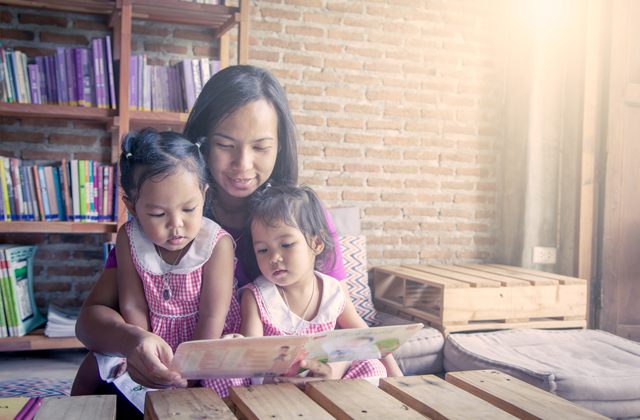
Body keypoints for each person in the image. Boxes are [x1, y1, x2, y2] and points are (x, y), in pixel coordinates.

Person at [74, 65, 347, 396]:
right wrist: (131, 340)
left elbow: (342, 324)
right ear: (200, 143)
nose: (243, 165)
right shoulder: (161, 226)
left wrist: (332, 368)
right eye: (225, 145)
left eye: (261, 147)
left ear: (280, 146)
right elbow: (90, 320)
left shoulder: (302, 221)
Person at [73, 128, 241, 400]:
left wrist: (190, 368)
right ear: (131, 206)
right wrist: (145, 350)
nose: (176, 224)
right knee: (95, 365)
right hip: (151, 337)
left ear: (204, 195)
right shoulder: (129, 238)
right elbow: (132, 304)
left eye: (189, 209)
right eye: (157, 213)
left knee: (217, 389)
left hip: (205, 343)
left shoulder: (215, 243)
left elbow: (212, 315)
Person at [240, 184, 402, 390]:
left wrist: (396, 376)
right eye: (262, 250)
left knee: (373, 367)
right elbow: (251, 358)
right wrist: (274, 379)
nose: (274, 257)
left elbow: (367, 337)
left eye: (287, 244)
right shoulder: (256, 297)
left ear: (316, 243)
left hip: (325, 378)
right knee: (227, 380)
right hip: (274, 383)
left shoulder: (332, 291)